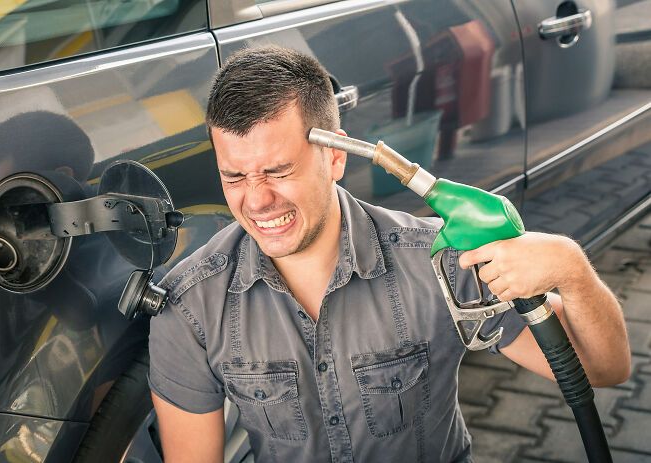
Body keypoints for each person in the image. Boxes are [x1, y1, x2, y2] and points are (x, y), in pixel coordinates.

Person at [148, 46, 630, 462]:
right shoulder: (191, 306)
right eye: (235, 177)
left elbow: (604, 369)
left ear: (334, 158)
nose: (256, 200)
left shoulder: (439, 263)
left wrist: (572, 269)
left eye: (277, 171)